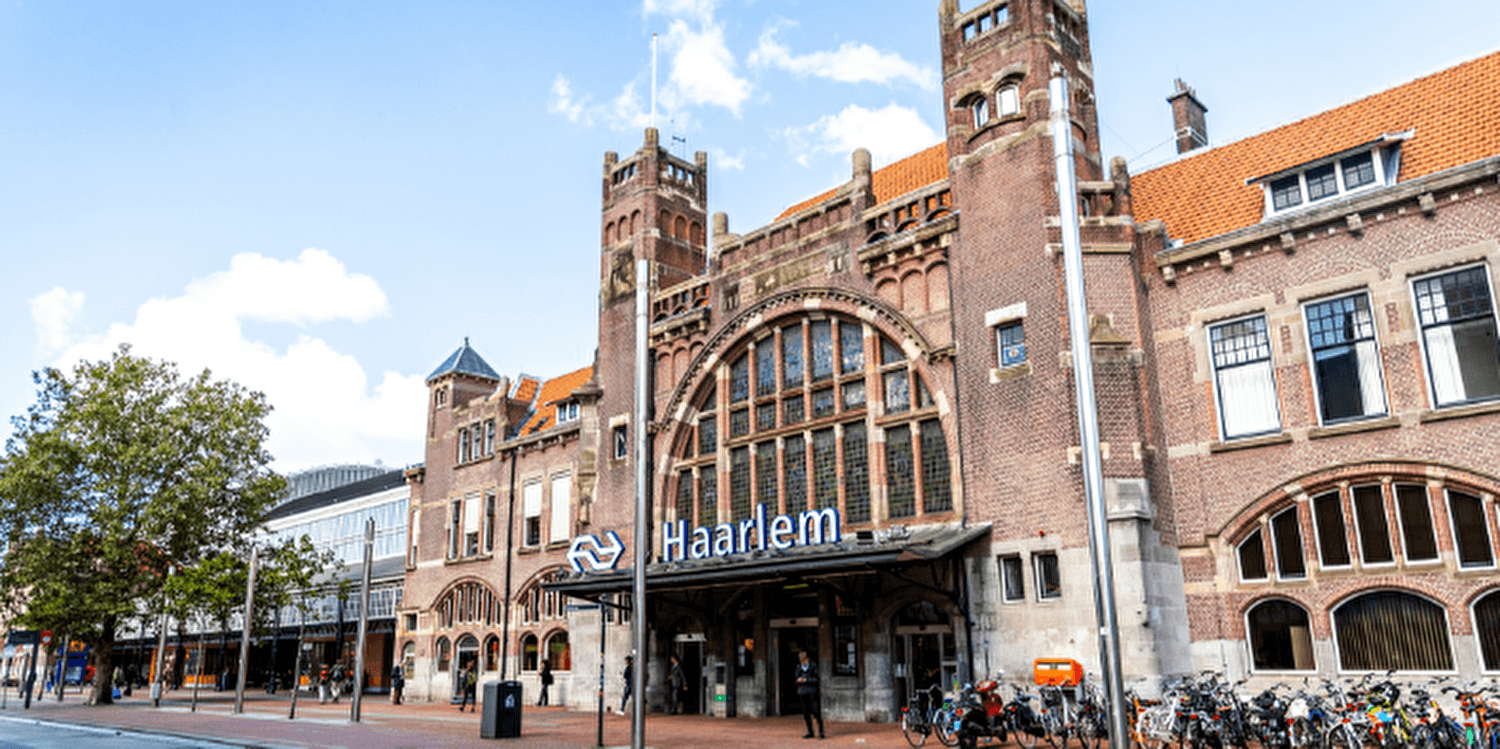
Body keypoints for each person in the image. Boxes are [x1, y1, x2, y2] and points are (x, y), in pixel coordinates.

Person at [795, 650, 825, 740]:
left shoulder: (813, 666)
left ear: (807, 658)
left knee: (816, 712)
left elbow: (817, 679)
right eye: (801, 660)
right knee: (806, 713)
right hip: (803, 692)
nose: (802, 662)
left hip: (812, 692)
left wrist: (806, 680)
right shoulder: (799, 667)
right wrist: (798, 680)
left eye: (804, 660)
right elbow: (796, 678)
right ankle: (810, 731)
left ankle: (821, 732)